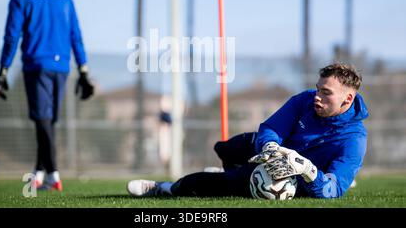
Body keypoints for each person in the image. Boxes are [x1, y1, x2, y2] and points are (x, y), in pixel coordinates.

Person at [127, 63, 368, 199]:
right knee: (225, 147)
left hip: (288, 178)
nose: (317, 96)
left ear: (347, 99)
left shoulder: (354, 141)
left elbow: (333, 190)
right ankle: (236, 167)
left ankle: (164, 187)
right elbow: (272, 128)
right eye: (318, 89)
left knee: (223, 183)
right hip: (269, 154)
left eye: (326, 92)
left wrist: (308, 170)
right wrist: (271, 146)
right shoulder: (304, 100)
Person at [0, 0, 94, 191]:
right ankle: (38, 175)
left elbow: (12, 36)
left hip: (37, 66)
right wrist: (83, 70)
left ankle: (53, 174)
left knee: (42, 120)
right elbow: (76, 36)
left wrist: (3, 70)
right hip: (62, 67)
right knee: (48, 121)